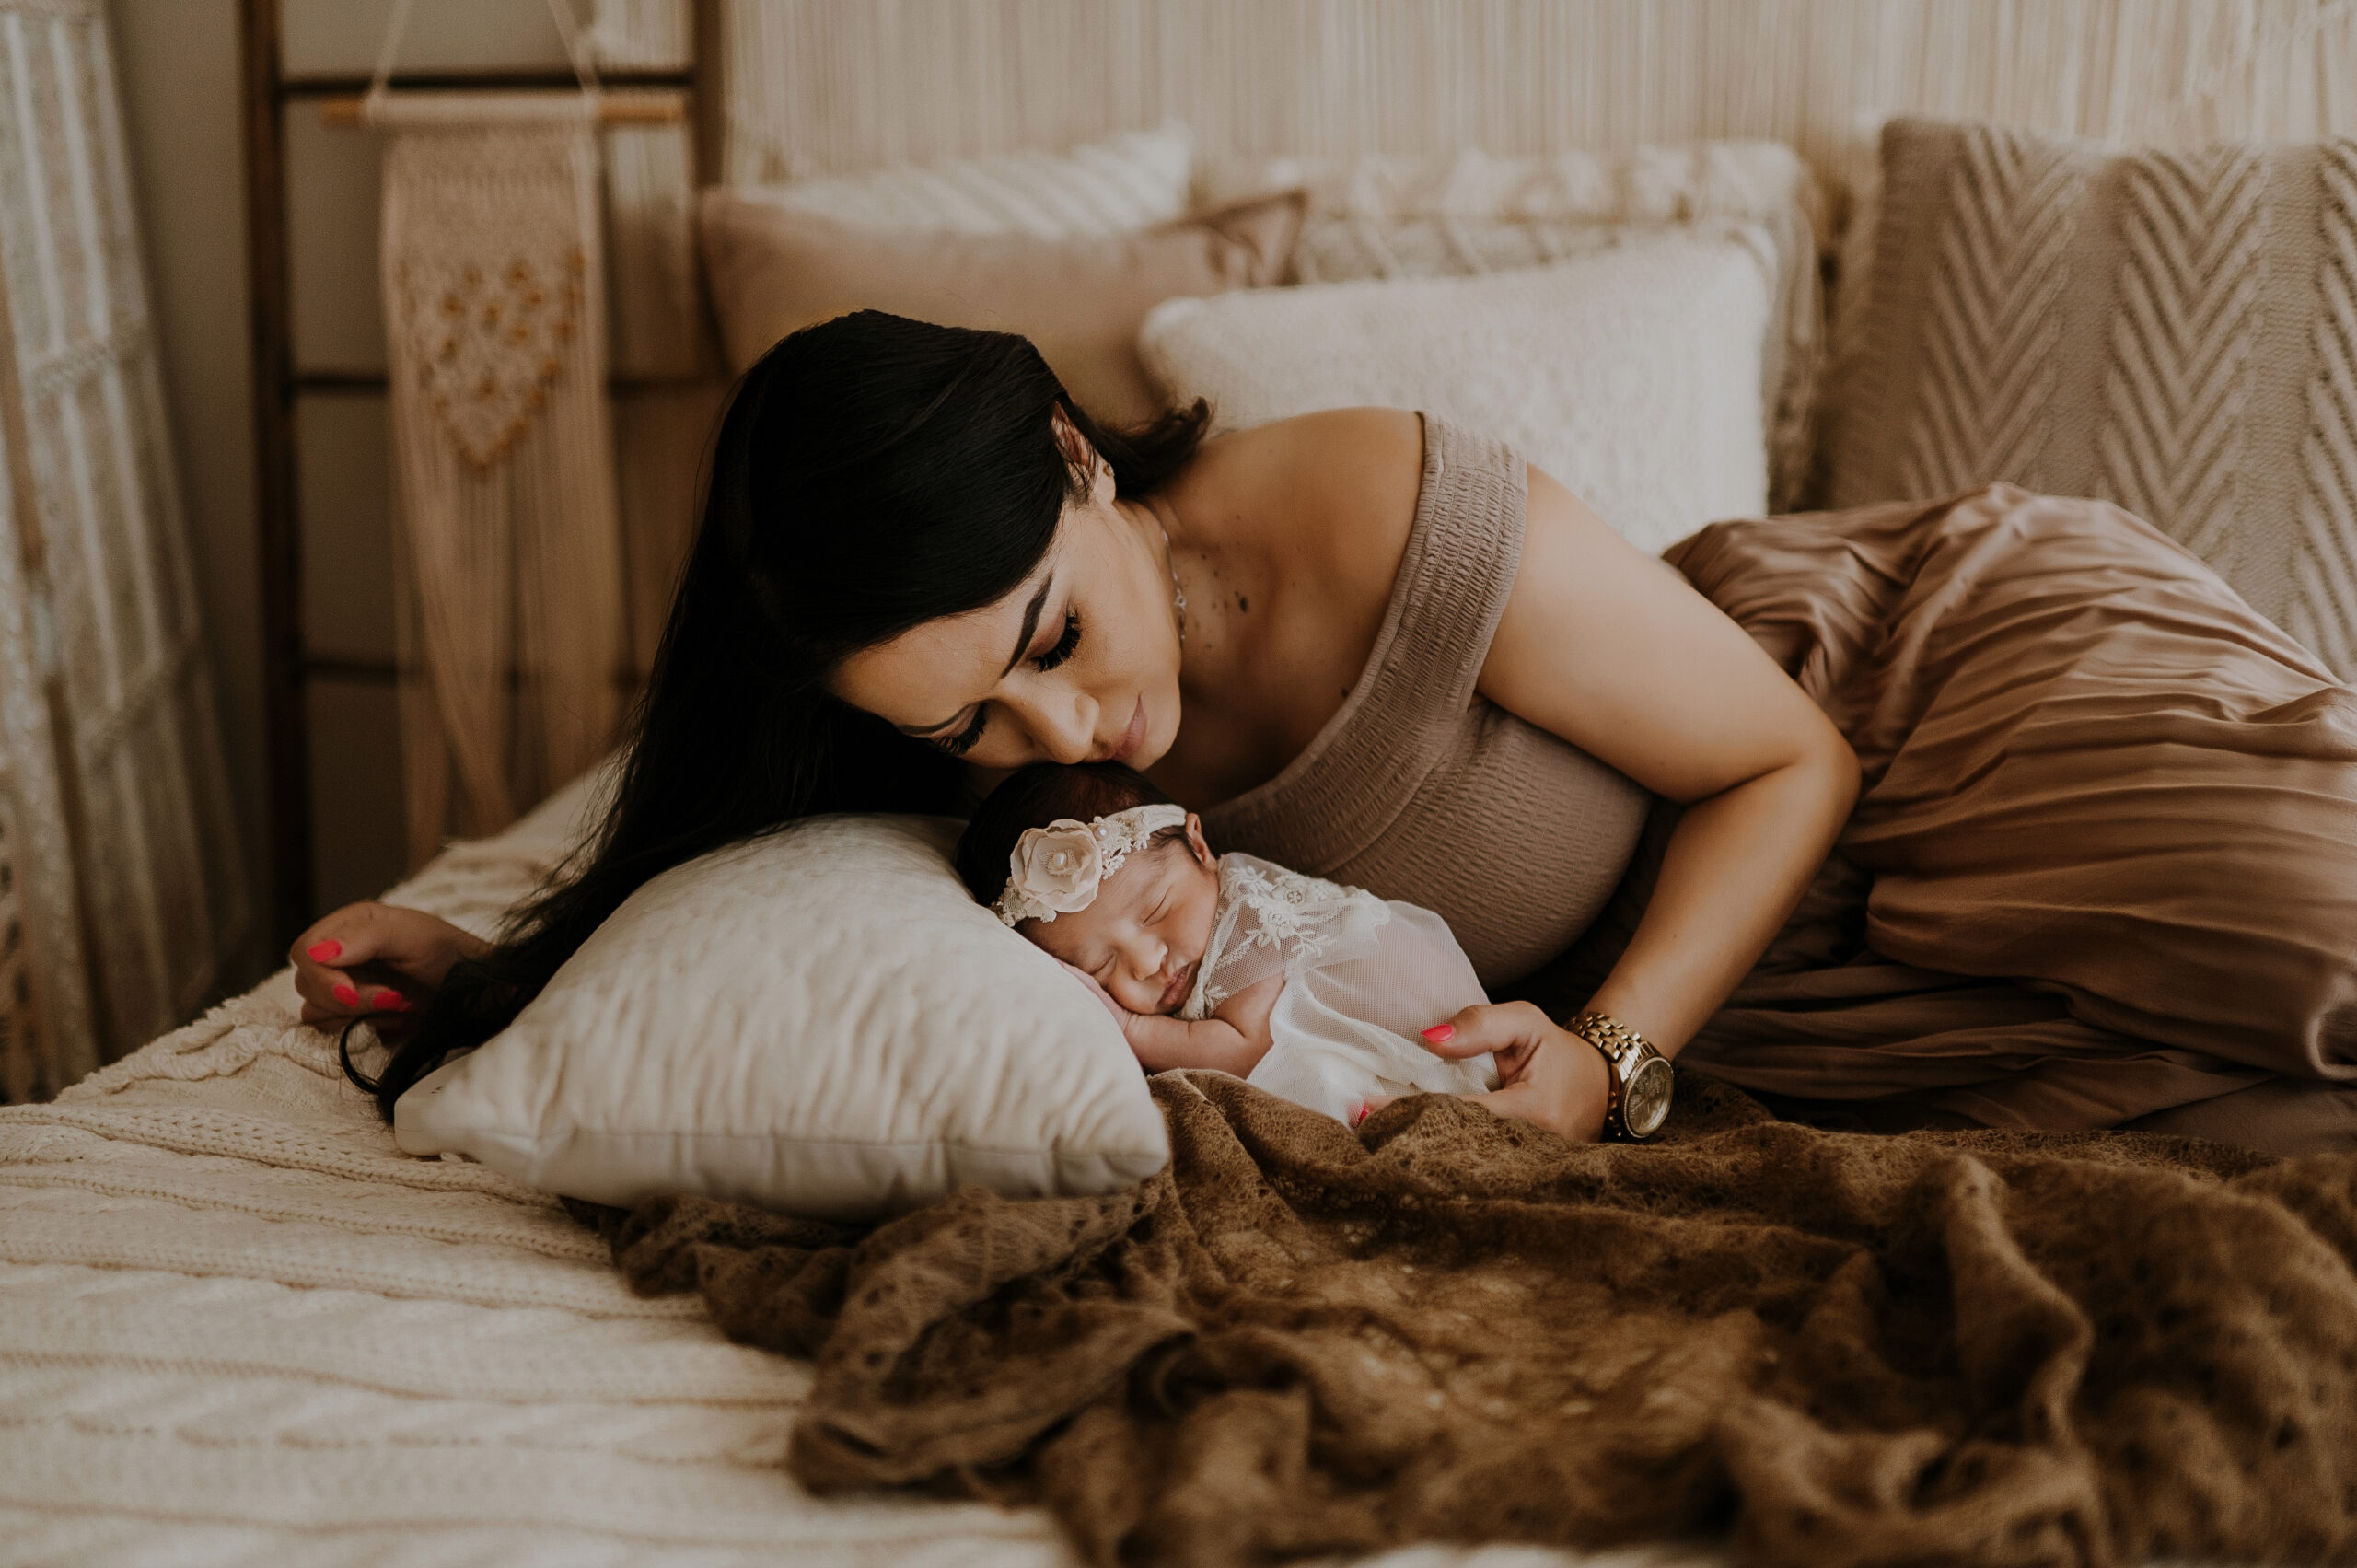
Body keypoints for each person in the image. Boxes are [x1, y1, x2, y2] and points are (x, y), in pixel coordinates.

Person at [298, 310, 2357, 1153]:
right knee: (2276, 1144)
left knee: (2314, 942)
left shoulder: (1363, 511)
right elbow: (741, 883)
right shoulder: (997, 770)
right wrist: (503, 965)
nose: (1068, 722)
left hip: (1891, 709)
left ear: (1073, 456)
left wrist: (1614, 1055)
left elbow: (1782, 759)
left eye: (1052, 631)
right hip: (1761, 991)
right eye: (979, 723)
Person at [959, 760, 1501, 1124]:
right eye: (1101, 967)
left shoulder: (1244, 914)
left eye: (1157, 910)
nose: (1148, 961)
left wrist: (1132, 1027)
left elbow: (1248, 1050)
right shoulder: (1198, 913)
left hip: (1439, 1058)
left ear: (1199, 846)